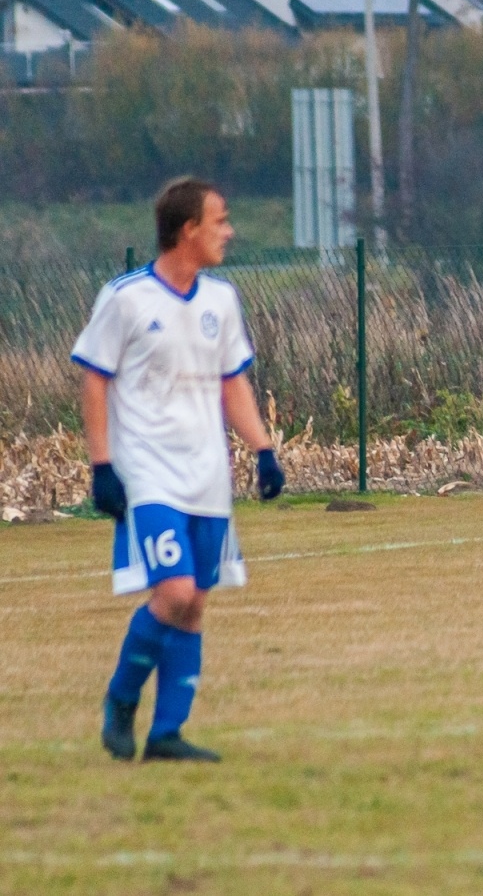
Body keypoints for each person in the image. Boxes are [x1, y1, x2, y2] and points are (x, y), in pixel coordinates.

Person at [74, 177, 285, 763]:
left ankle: (167, 733)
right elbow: (94, 378)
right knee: (174, 591)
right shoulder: (126, 298)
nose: (229, 232)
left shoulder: (221, 300)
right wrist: (102, 465)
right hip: (148, 473)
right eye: (220, 221)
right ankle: (122, 699)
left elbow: (231, 383)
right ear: (188, 229)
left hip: (207, 476)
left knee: (194, 605)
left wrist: (263, 450)